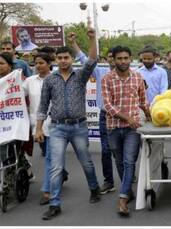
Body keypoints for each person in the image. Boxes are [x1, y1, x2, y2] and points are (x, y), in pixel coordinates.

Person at [36, 27, 101, 220]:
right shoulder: (50, 80)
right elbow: (42, 105)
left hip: (78, 127)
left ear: (71, 59)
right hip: (57, 128)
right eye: (60, 58)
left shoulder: (80, 76)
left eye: (66, 57)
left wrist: (91, 39)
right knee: (55, 166)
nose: (63, 61)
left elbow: (92, 61)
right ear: (55, 60)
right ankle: (55, 204)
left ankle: (94, 188)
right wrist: (39, 128)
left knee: (86, 161)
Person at [102, 45, 150, 216]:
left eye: (125, 58)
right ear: (113, 60)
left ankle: (122, 199)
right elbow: (108, 105)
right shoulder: (107, 78)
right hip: (113, 127)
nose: (123, 61)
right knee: (120, 161)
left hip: (132, 129)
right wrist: (126, 118)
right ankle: (127, 189)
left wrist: (151, 118)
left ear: (131, 59)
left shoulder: (138, 77)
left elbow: (143, 101)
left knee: (129, 161)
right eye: (119, 58)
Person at [68, 32, 118, 195]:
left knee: (122, 151)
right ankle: (109, 182)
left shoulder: (131, 75)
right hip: (105, 116)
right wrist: (73, 43)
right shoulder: (100, 72)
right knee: (105, 150)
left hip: (124, 118)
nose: (112, 60)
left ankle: (127, 178)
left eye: (115, 57)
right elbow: (83, 58)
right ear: (107, 59)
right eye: (110, 57)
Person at [22, 52, 54, 205]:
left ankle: (47, 191)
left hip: (55, 124)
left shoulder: (56, 78)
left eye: (41, 62)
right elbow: (17, 94)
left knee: (49, 156)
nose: (38, 66)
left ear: (49, 63)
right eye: (36, 63)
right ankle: (63, 173)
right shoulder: (29, 81)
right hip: (37, 125)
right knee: (49, 154)